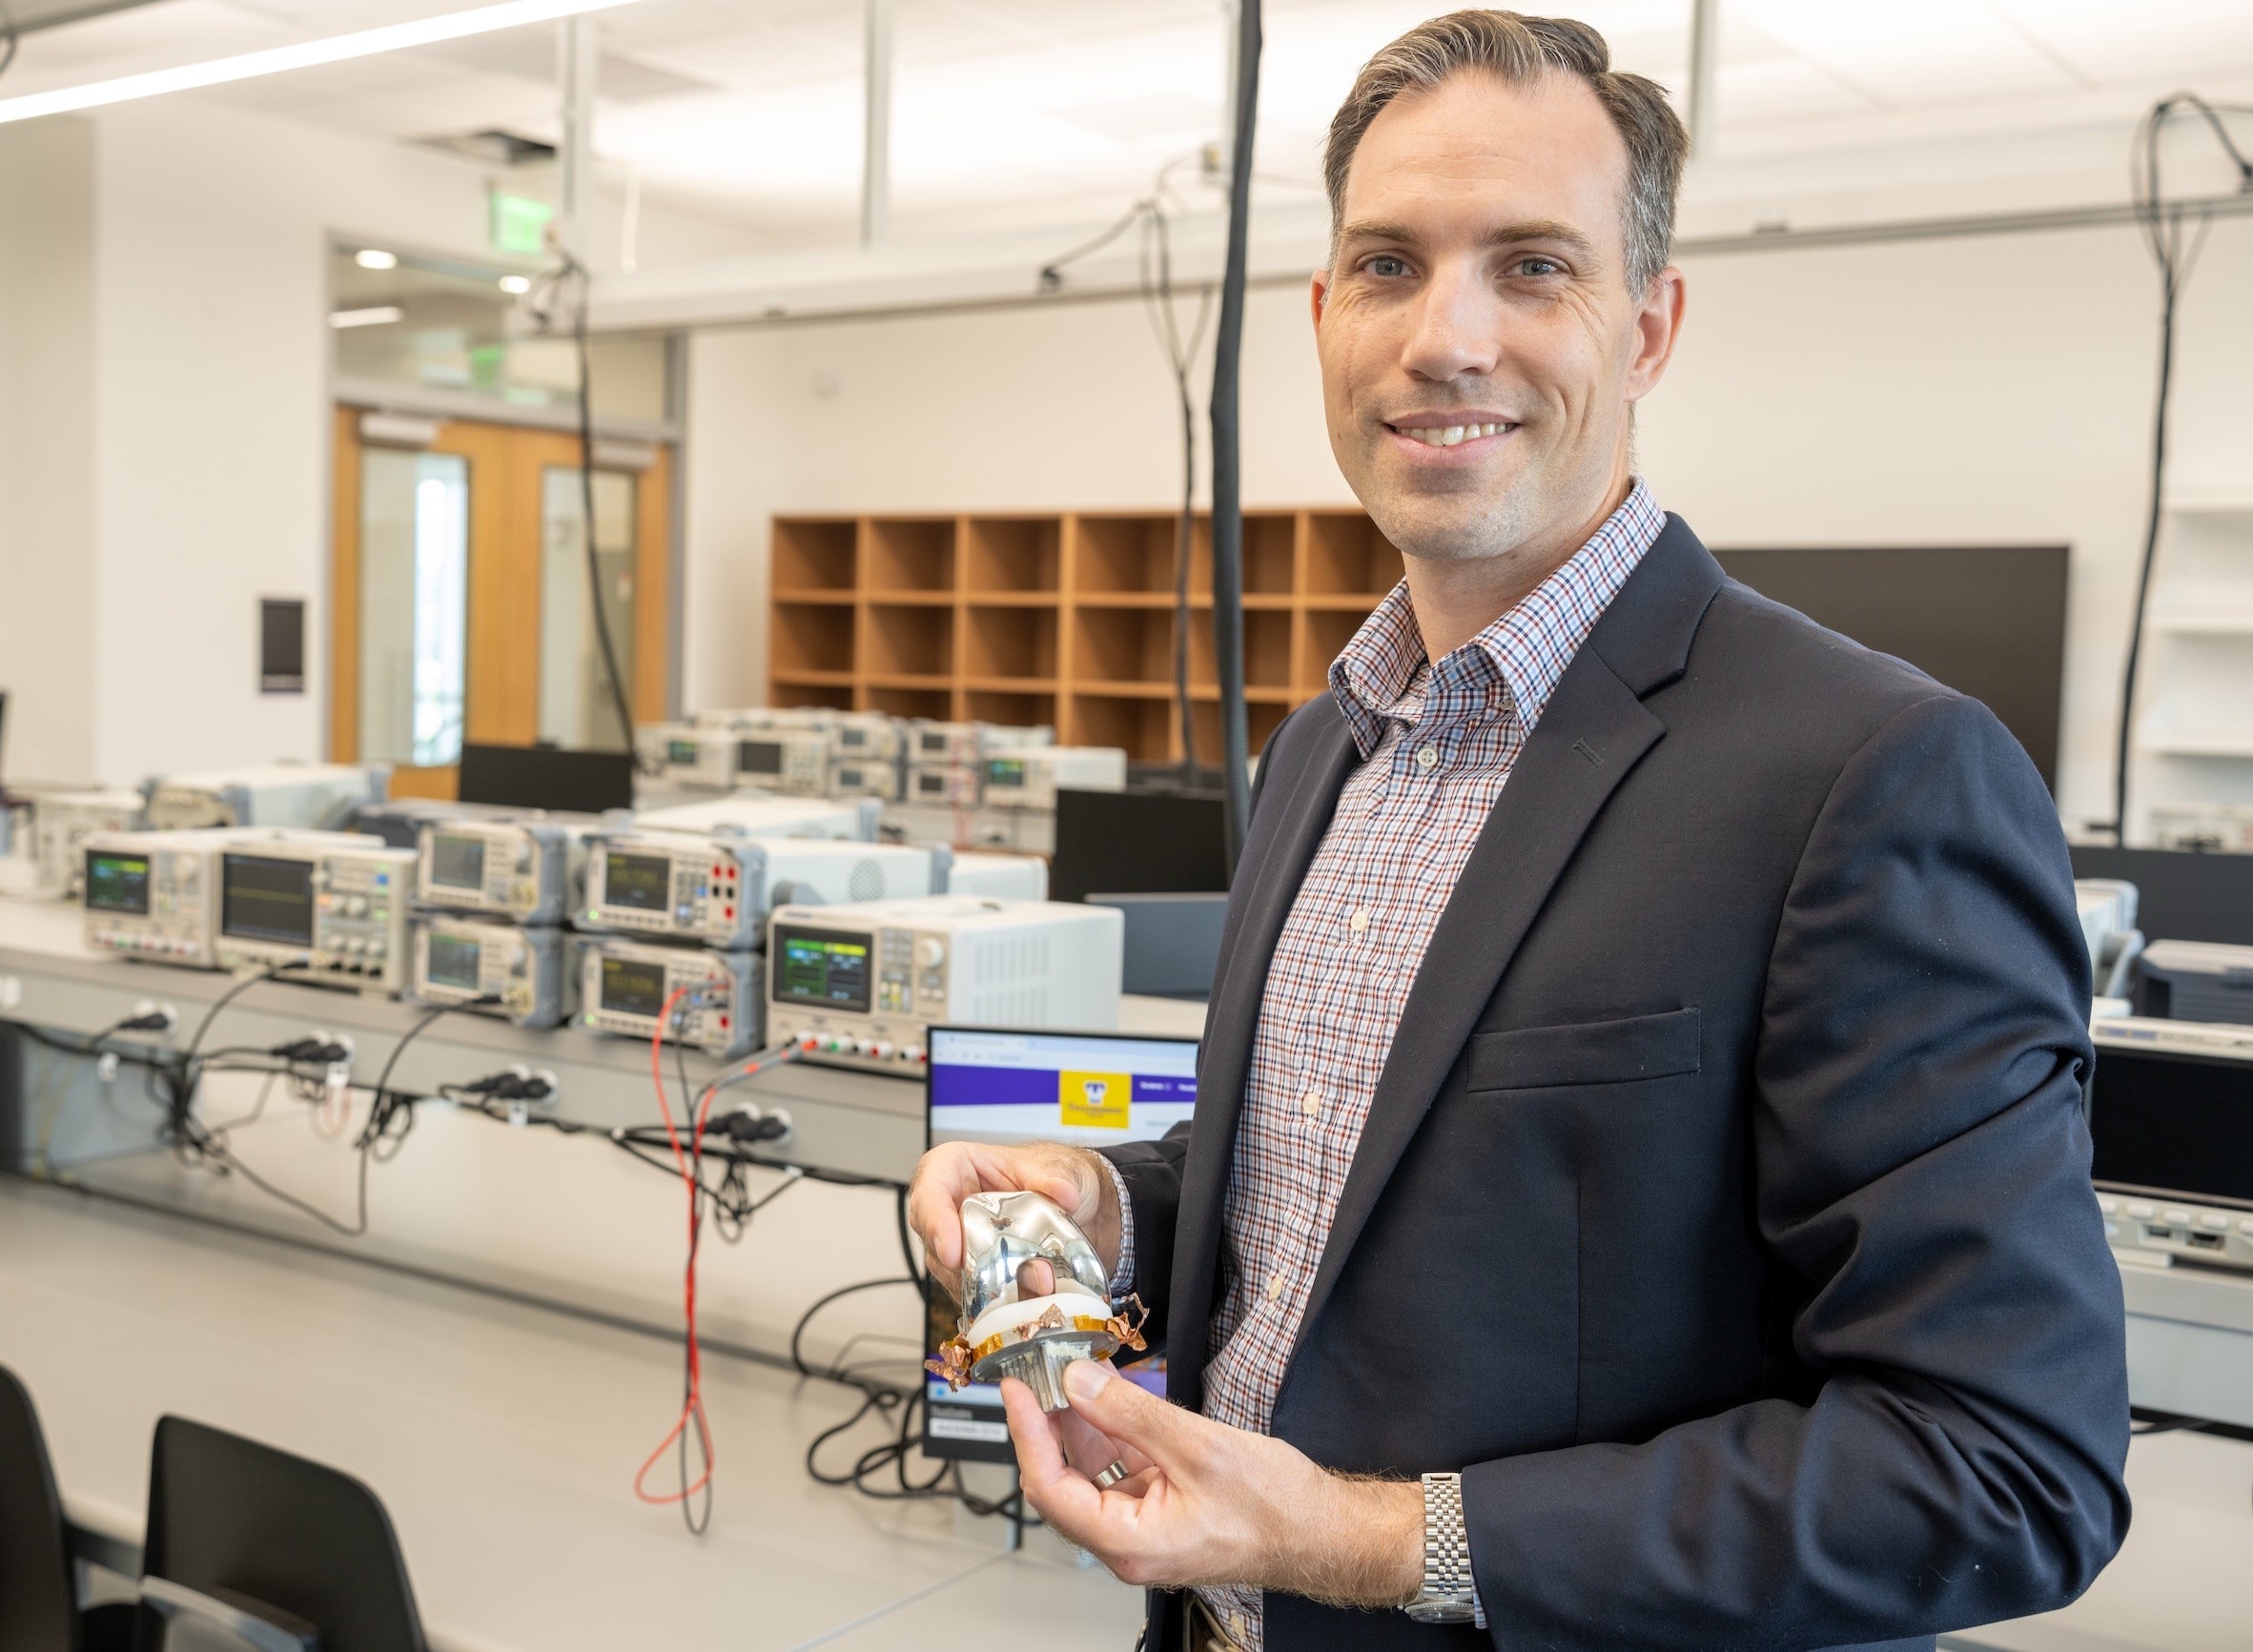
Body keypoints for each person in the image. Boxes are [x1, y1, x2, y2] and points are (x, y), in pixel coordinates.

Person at [907, 10, 2130, 1651]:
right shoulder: (1330, 740)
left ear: (1651, 325)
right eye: (1393, 265)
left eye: (1535, 267)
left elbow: (2001, 1466)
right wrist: (1108, 1205)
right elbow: (1347, 1178)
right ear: (1325, 313)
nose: (1447, 338)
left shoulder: (1874, 771)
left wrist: (1358, 1536)